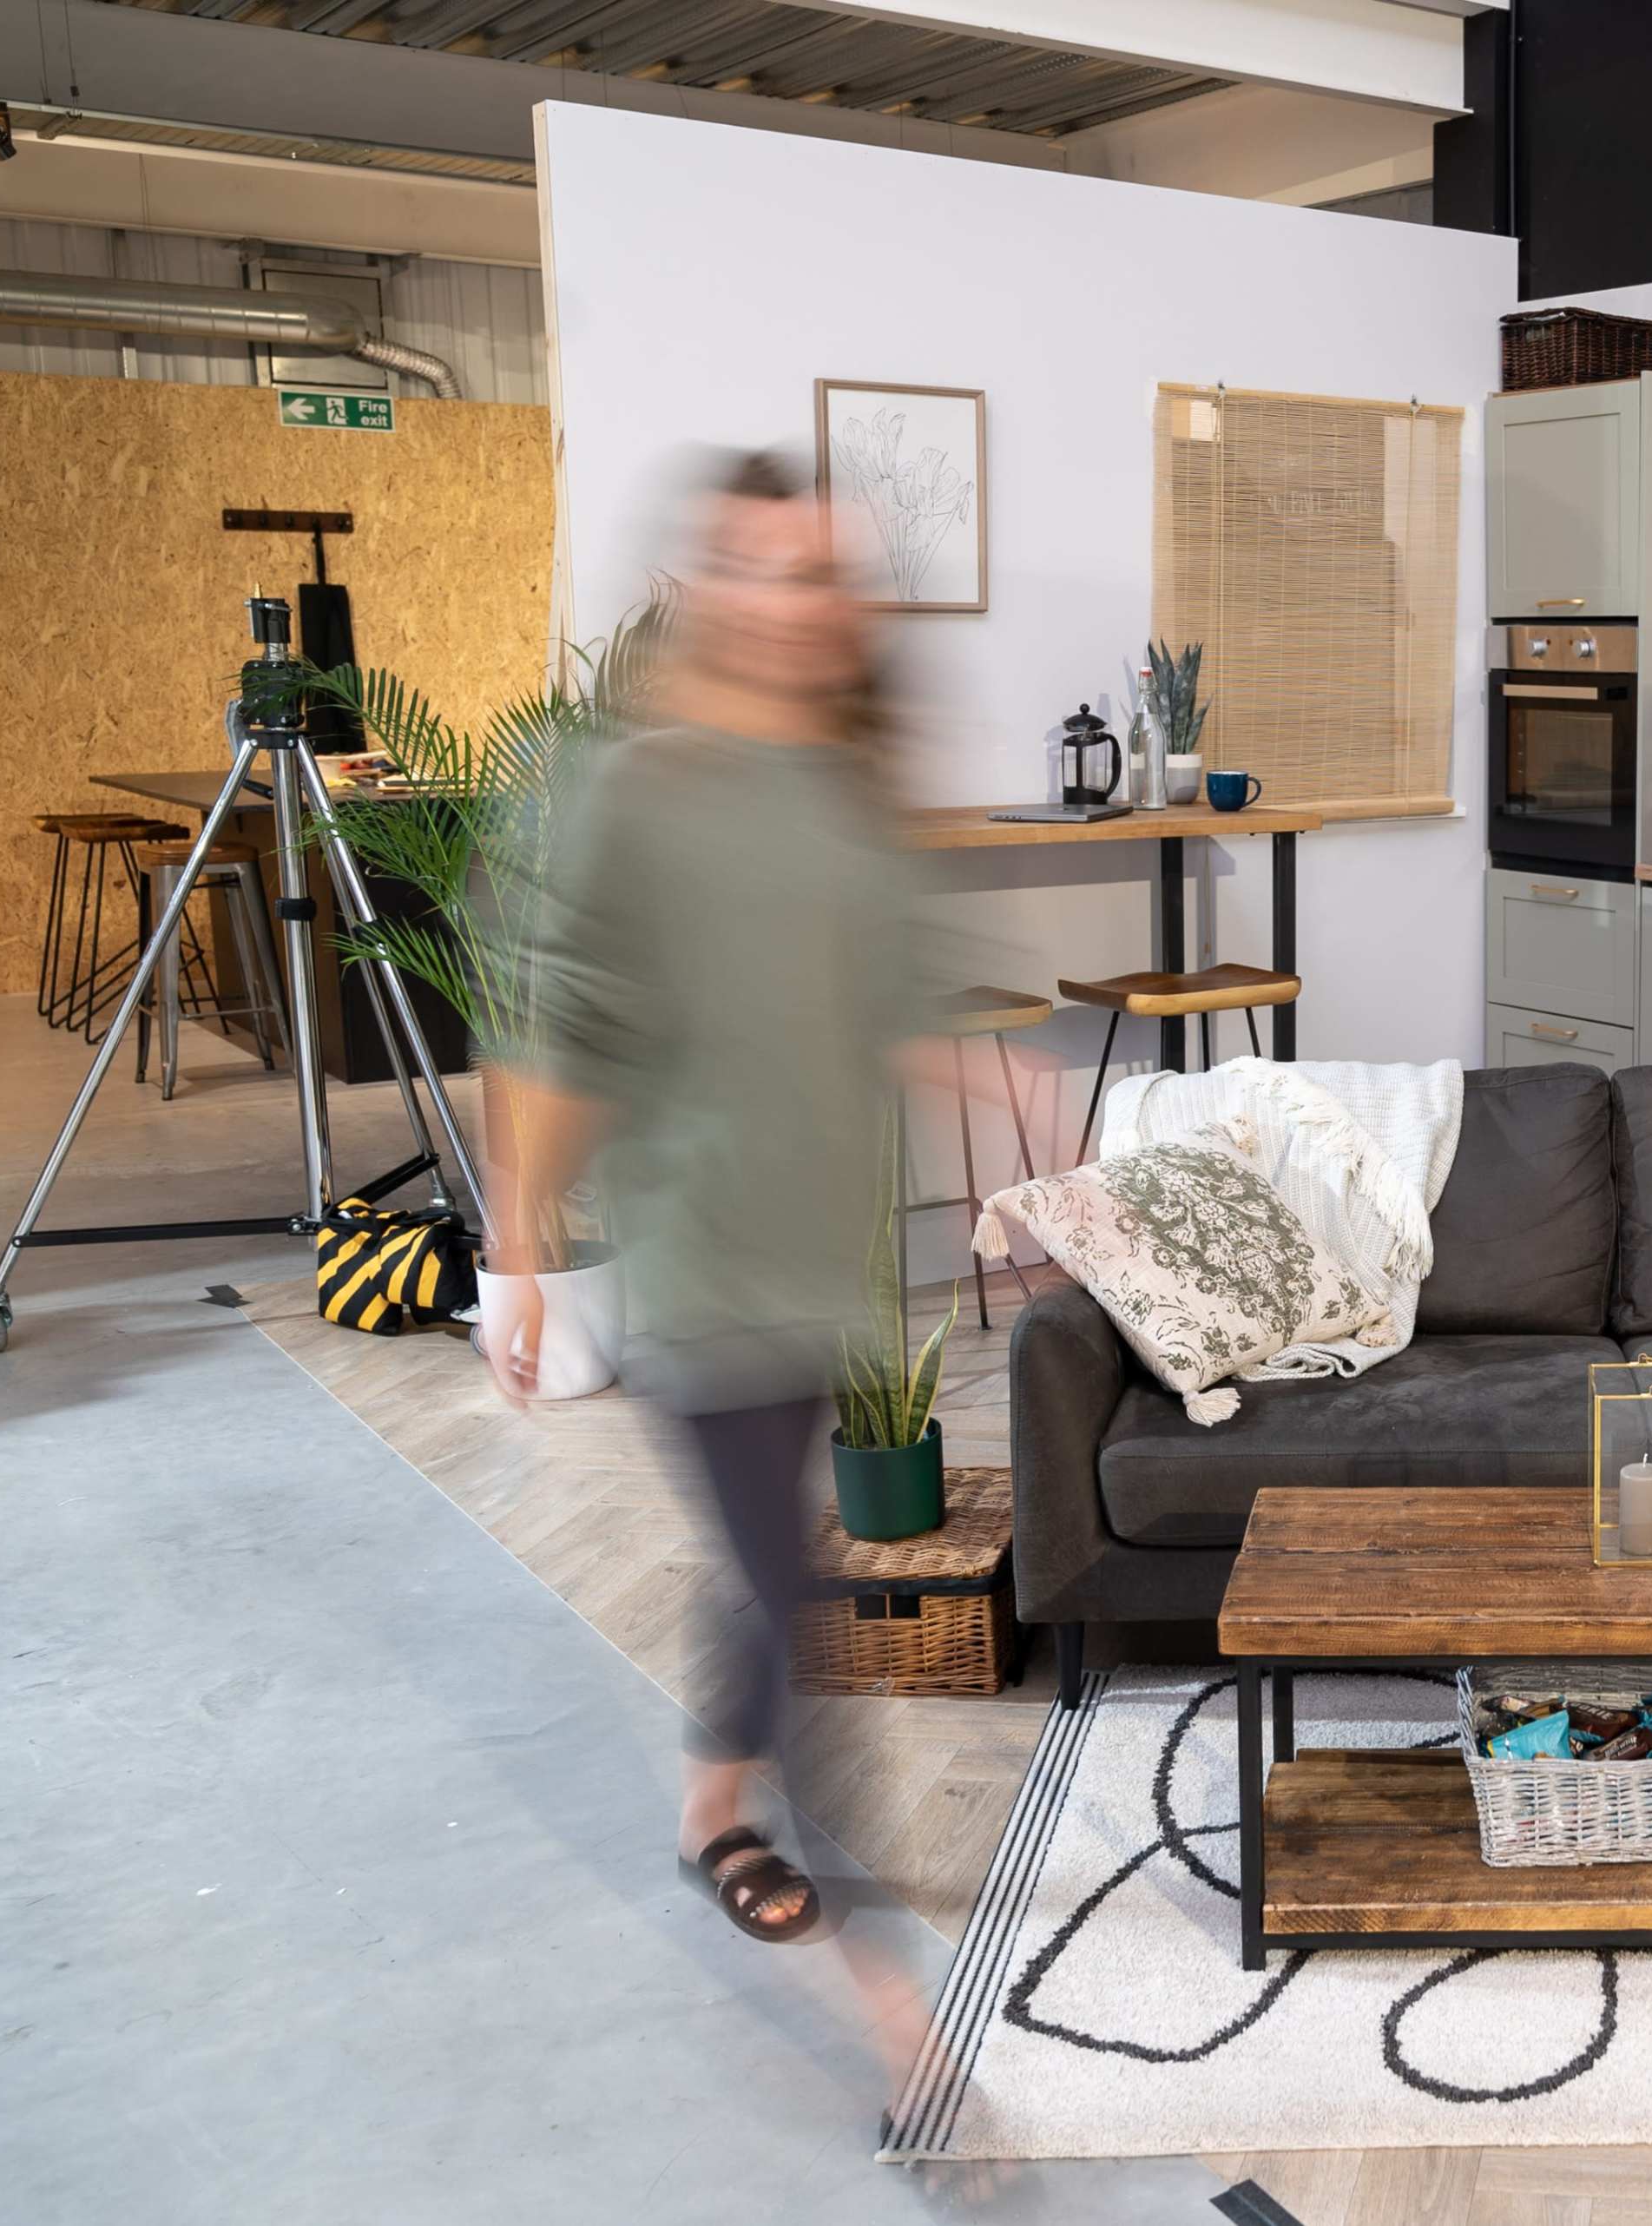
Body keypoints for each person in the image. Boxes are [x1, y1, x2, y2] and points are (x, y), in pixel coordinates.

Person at [476, 450, 928, 2070]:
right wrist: (518, 1255)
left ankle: (704, 1807)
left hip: (821, 1262)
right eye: (767, 569)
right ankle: (899, 2012)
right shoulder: (633, 786)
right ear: (705, 590)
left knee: (767, 1553)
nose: (803, 602)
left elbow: (876, 992)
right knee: (803, 1594)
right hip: (701, 1261)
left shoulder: (846, 783)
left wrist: (998, 1088)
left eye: (823, 573)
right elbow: (562, 1032)